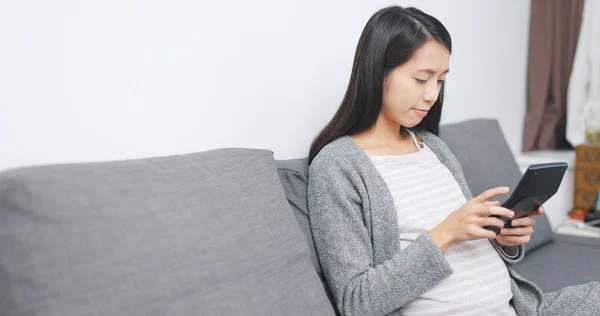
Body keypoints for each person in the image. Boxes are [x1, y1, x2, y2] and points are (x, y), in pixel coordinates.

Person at [307, 5, 600, 316]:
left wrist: (503, 239)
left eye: (440, 81)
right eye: (422, 79)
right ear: (377, 71)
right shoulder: (337, 167)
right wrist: (445, 232)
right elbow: (357, 302)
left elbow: (470, 251)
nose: (432, 95)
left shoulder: (432, 145)